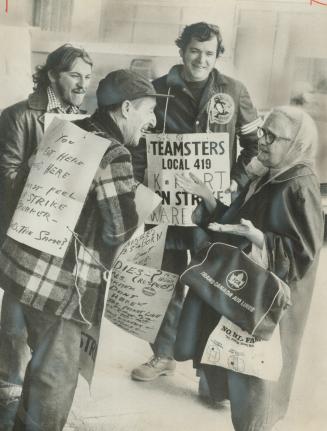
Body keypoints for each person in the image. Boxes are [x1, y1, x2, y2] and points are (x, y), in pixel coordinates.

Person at [0, 69, 164, 431]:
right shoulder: (114, 153)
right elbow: (118, 229)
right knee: (55, 378)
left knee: (33, 368)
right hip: (59, 288)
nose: (151, 120)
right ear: (125, 109)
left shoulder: (66, 129)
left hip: (17, 272)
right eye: (147, 110)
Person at [176, 106, 324, 431]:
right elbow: (238, 221)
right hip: (245, 293)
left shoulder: (299, 185)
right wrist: (208, 199)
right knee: (238, 373)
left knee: (257, 386)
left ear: (297, 144)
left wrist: (260, 239)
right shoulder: (270, 173)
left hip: (269, 305)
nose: (263, 140)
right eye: (263, 132)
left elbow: (304, 255)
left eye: (273, 136)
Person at [131, 22, 259, 383]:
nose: (200, 59)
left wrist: (235, 182)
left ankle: (210, 371)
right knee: (165, 278)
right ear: (182, 50)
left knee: (215, 283)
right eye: (194, 51)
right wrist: (144, 184)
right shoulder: (156, 91)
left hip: (213, 210)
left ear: (218, 55)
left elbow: (255, 147)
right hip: (167, 208)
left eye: (208, 52)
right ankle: (163, 355)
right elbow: (139, 147)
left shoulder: (234, 91)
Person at [0, 43, 93, 428]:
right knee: (15, 322)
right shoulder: (19, 116)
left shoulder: (86, 120)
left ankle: (29, 400)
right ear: (54, 74)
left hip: (59, 239)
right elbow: (5, 178)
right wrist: (40, 167)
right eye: (76, 75)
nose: (83, 84)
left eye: (88, 78)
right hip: (23, 236)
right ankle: (8, 392)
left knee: (46, 328)